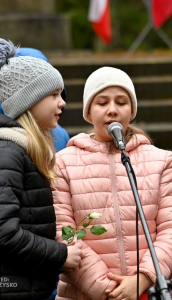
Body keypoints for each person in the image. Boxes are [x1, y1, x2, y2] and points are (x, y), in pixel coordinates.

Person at [52, 66, 172, 300]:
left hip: (149, 291)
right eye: (102, 102)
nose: (113, 110)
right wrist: (109, 291)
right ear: (88, 112)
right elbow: (62, 233)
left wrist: (143, 279)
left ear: (132, 110)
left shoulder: (162, 161)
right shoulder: (63, 163)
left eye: (122, 102)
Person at [0, 38, 83, 300]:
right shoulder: (9, 153)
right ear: (29, 100)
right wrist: (61, 254)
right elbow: (4, 232)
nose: (63, 103)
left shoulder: (27, 150)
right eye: (54, 95)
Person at [0, 48, 70, 152]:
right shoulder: (8, 151)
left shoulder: (60, 136)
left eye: (60, 94)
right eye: (54, 94)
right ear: (27, 101)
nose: (63, 103)